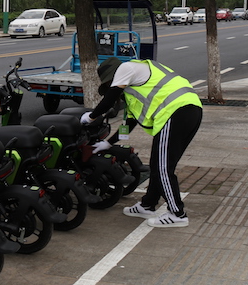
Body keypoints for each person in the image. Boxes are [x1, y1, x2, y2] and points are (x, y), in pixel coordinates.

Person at [81, 57, 202, 228]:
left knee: (163, 168)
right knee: (158, 164)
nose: (112, 86)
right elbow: (128, 125)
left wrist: (92, 116)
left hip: (177, 110)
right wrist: (108, 144)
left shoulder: (126, 67)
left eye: (110, 82)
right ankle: (147, 205)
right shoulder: (133, 93)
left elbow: (110, 97)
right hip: (185, 112)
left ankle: (177, 214)